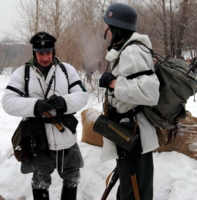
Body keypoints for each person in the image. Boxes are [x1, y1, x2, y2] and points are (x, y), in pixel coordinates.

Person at [2, 31, 88, 200]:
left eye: (48, 53)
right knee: (40, 181)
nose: (45, 58)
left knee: (72, 178)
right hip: (38, 139)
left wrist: (65, 102)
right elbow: (8, 102)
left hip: (66, 136)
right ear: (34, 53)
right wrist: (34, 105)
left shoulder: (66, 70)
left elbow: (82, 95)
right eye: (41, 54)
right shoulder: (23, 73)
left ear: (53, 52)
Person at [99, 3, 160, 200]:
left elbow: (150, 93)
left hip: (135, 137)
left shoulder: (131, 52)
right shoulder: (126, 49)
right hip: (128, 136)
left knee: (135, 193)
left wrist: (114, 83)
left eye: (107, 26)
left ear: (115, 28)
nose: (105, 31)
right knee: (129, 190)